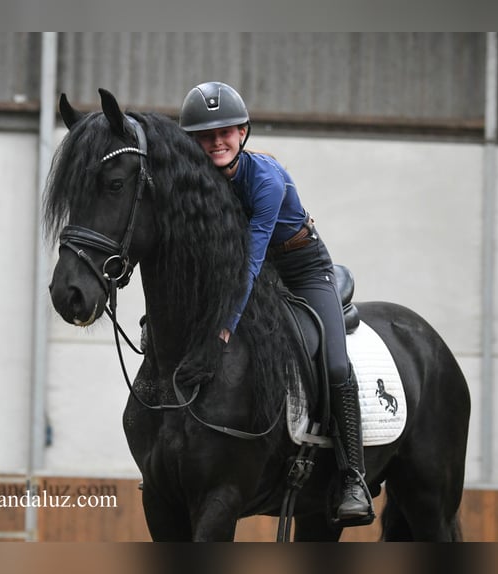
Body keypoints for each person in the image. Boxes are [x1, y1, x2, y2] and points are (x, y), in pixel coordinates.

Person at [179, 81, 373, 525]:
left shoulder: (264, 179)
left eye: (225, 132)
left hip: (303, 269)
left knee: (337, 364)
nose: (216, 142)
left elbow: (251, 258)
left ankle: (352, 478)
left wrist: (227, 320)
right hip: (256, 272)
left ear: (243, 132)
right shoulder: (201, 183)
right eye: (205, 136)